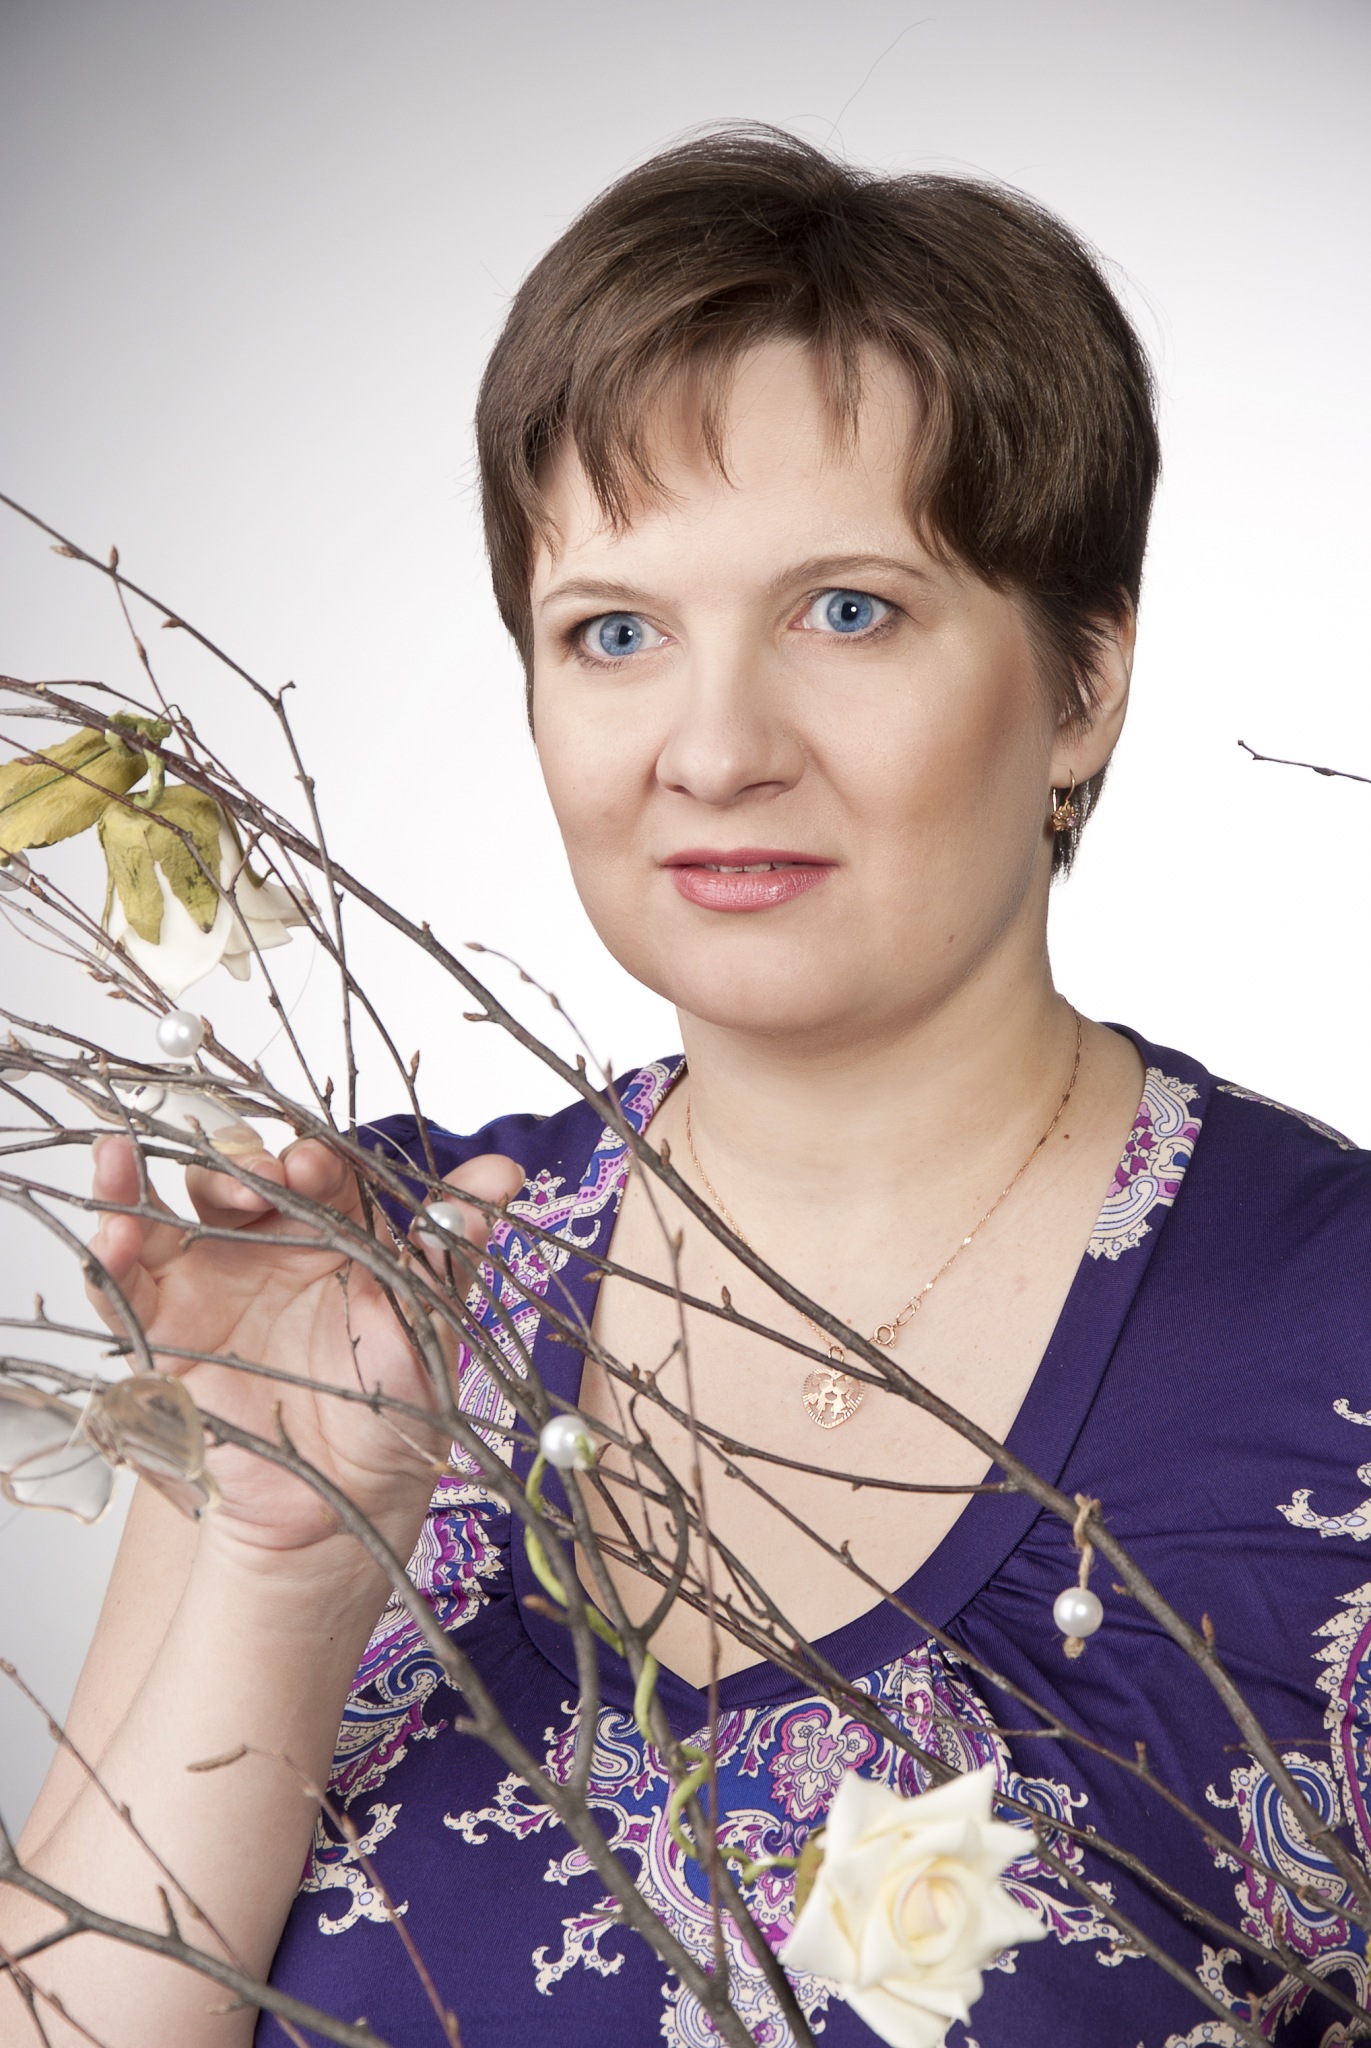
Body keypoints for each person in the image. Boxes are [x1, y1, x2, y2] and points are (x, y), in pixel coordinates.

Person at [3, 126, 1369, 2048]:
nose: (715, 750)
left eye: (848, 610)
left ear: (1081, 686)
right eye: (617, 633)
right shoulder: (360, 1284)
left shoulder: (1339, 1342)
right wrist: (277, 1566)